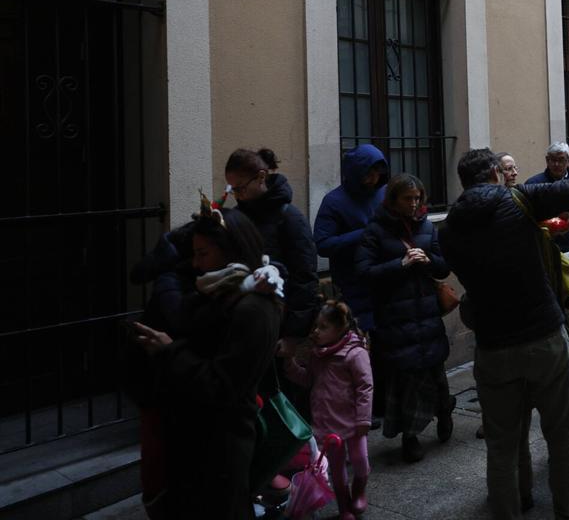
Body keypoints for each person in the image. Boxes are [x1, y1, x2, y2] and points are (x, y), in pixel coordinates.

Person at [440, 148, 569, 519]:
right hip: (543, 335)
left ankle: (513, 507)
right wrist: (568, 215)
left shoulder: (448, 231)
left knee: (501, 447)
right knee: (563, 441)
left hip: (493, 345)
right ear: (496, 172)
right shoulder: (522, 198)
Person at [131, 201, 282, 520]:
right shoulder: (221, 290)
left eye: (203, 254)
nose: (197, 264)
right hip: (199, 439)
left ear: (231, 251)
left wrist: (168, 350)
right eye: (194, 254)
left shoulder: (252, 307)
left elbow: (222, 385)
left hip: (222, 446)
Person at [354, 174, 453, 463]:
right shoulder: (375, 231)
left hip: (426, 312)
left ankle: (444, 412)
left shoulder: (428, 227)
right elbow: (364, 273)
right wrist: (400, 264)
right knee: (406, 378)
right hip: (396, 315)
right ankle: (410, 436)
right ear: (393, 200)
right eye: (408, 199)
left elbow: (443, 267)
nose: (414, 204)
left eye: (418, 198)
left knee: (436, 370)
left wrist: (428, 260)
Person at [280, 301, 373, 519]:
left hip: (352, 421)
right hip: (327, 423)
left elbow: (365, 387)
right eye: (315, 326)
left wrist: (363, 420)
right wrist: (290, 364)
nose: (315, 331)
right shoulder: (317, 354)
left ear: (340, 328)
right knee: (337, 470)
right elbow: (308, 379)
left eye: (323, 327)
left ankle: (359, 490)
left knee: (360, 461)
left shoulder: (354, 354)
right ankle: (344, 507)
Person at [224, 148, 321, 339]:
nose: (237, 195)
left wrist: (293, 335)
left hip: (277, 321)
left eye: (241, 188)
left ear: (261, 177)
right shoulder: (237, 216)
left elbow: (304, 278)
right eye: (232, 190)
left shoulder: (290, 217)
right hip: (242, 318)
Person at [313, 145, 388, 334]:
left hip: (386, 280)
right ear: (355, 174)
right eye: (368, 174)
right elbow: (322, 244)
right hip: (352, 284)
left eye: (377, 173)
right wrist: (363, 234)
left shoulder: (384, 192)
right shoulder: (334, 201)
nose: (373, 179)